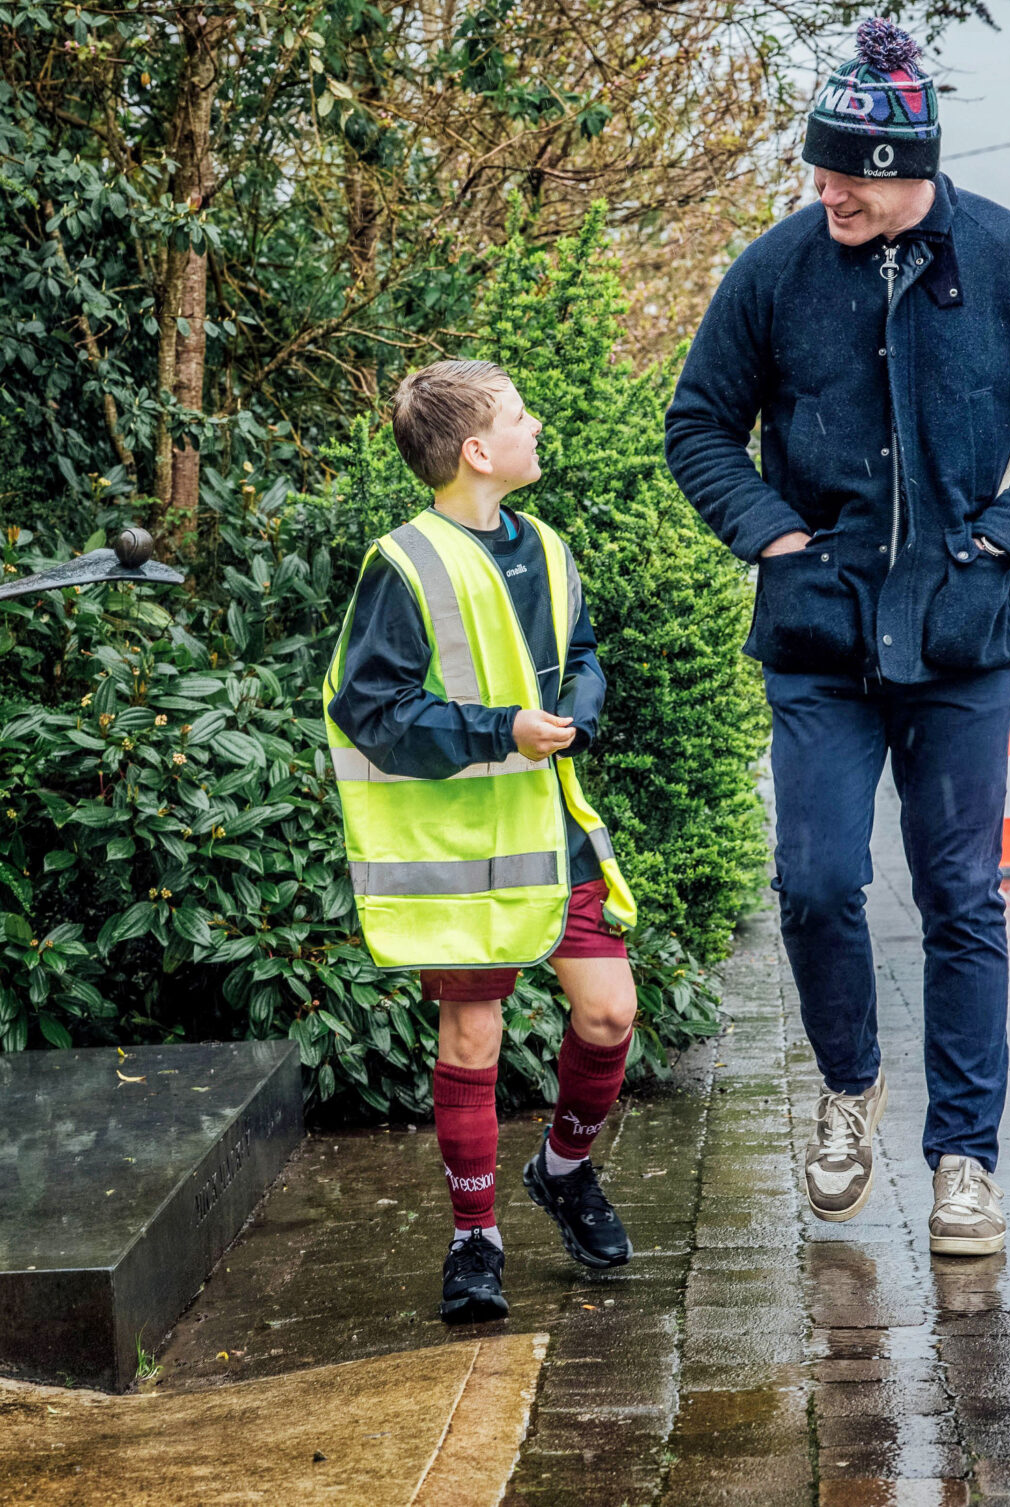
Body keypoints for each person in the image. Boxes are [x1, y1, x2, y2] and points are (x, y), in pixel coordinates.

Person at [665, 19, 1010, 1251]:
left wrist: (1001, 537)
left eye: (848, 178)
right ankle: (848, 1087)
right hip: (818, 629)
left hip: (965, 629)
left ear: (909, 166)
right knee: (815, 881)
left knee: (962, 893)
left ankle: (965, 1158)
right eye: (817, 174)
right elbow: (698, 424)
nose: (827, 197)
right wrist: (766, 532)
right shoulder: (775, 269)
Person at [323, 359, 642, 1323]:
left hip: (551, 833)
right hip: (465, 850)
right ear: (476, 450)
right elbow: (369, 710)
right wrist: (500, 729)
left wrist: (573, 711)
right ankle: (475, 1239)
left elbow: (579, 656)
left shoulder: (544, 543)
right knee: (471, 1034)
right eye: (518, 415)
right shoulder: (403, 564)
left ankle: (563, 1171)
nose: (534, 423)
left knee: (610, 1015)